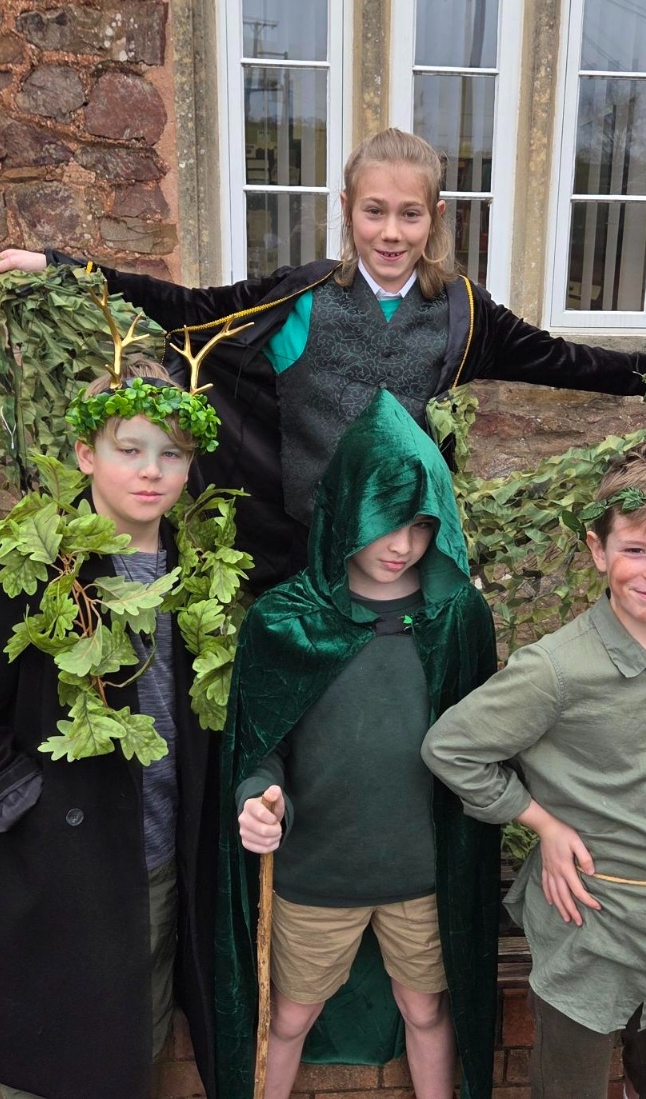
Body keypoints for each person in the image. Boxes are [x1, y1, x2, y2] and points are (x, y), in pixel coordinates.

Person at [0, 127, 646, 589]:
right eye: (375, 212)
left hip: (405, 551)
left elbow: (567, 361)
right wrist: (60, 269)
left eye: (410, 215)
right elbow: (185, 308)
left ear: (436, 217)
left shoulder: (462, 313)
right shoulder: (301, 296)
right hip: (300, 549)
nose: (392, 232)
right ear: (348, 211)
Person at [0, 364, 222, 1099]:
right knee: (57, 1058)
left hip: (159, 860)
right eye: (130, 449)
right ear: (86, 454)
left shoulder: (199, 565)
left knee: (132, 1050)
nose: (151, 471)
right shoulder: (34, 563)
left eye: (172, 453)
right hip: (66, 865)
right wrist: (25, 800)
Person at [422, 442, 646, 1099]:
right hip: (592, 917)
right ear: (598, 550)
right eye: (635, 549)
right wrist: (543, 824)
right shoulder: (556, 669)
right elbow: (452, 748)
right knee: (569, 1081)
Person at [217, 390, 502, 1099]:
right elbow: (261, 747)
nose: (402, 546)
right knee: (289, 1018)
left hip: (425, 872)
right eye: (384, 522)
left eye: (420, 525)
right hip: (318, 873)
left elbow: (484, 741)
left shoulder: (456, 617)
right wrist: (258, 799)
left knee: (426, 1010)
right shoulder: (286, 621)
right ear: (347, 508)